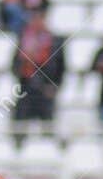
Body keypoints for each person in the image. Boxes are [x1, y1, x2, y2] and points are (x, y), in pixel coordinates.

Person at [11, 10, 64, 140]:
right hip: (26, 88)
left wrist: (55, 86)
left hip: (46, 90)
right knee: (21, 122)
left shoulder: (54, 41)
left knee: (47, 126)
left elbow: (61, 67)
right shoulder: (23, 40)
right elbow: (14, 66)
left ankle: (48, 144)